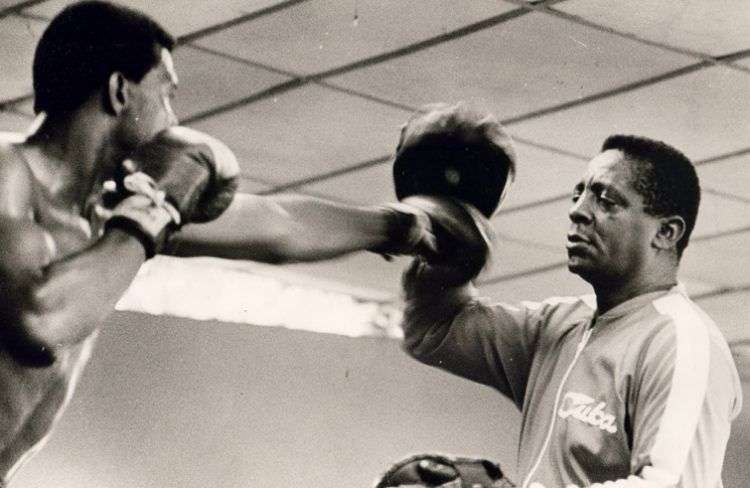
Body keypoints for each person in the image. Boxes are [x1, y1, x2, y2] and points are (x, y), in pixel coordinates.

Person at [0, 1, 443, 483]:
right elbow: (44, 318)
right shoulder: (8, 171)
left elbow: (280, 226)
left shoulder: (112, 213)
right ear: (119, 91)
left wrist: (405, 226)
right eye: (166, 95)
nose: (172, 119)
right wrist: (155, 210)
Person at [399, 134, 743, 487]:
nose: (578, 210)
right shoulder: (557, 326)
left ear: (666, 232)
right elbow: (433, 329)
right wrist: (449, 241)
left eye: (605, 199)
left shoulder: (680, 343)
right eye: (578, 194)